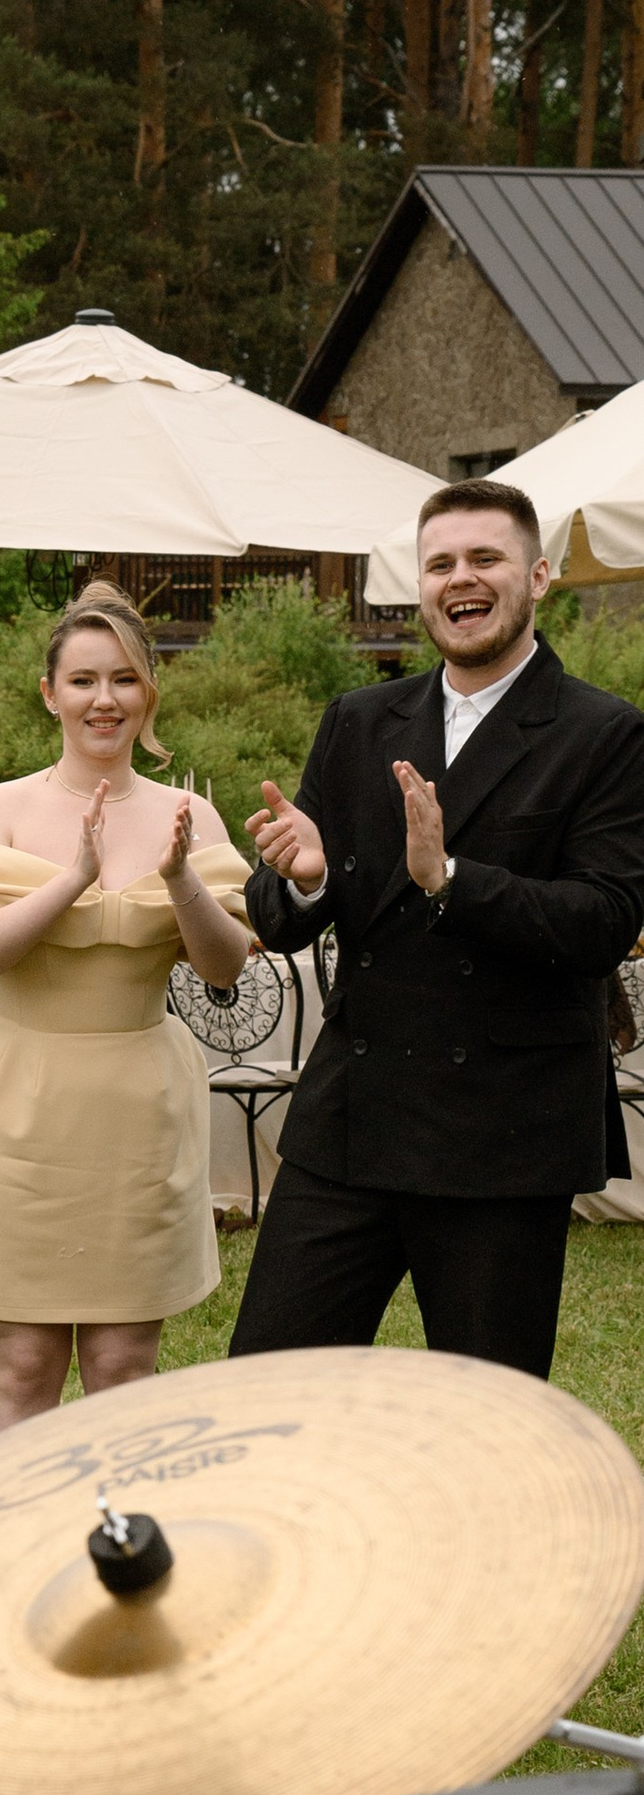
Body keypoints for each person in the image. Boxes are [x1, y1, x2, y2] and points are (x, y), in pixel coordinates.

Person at [232, 481, 644, 1379]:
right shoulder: (358, 720)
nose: (463, 578)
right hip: (350, 1122)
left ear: (536, 577)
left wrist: (451, 880)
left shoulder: (605, 734)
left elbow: (603, 923)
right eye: (442, 563)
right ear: (421, 586)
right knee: (262, 1385)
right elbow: (284, 913)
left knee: (488, 1416)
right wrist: (301, 880)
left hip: (504, 1136)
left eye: (486, 558)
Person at [0, 585, 252, 1428]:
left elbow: (224, 967)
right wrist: (71, 876)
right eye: (84, 681)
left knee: (122, 1365)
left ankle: (118, 1549)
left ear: (149, 693)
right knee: (26, 1365)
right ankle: (23, 1551)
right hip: (20, 1100)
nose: (105, 700)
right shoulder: (1, 808)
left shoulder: (190, 814)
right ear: (50, 693)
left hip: (137, 1108)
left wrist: (179, 879)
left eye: (125, 680)